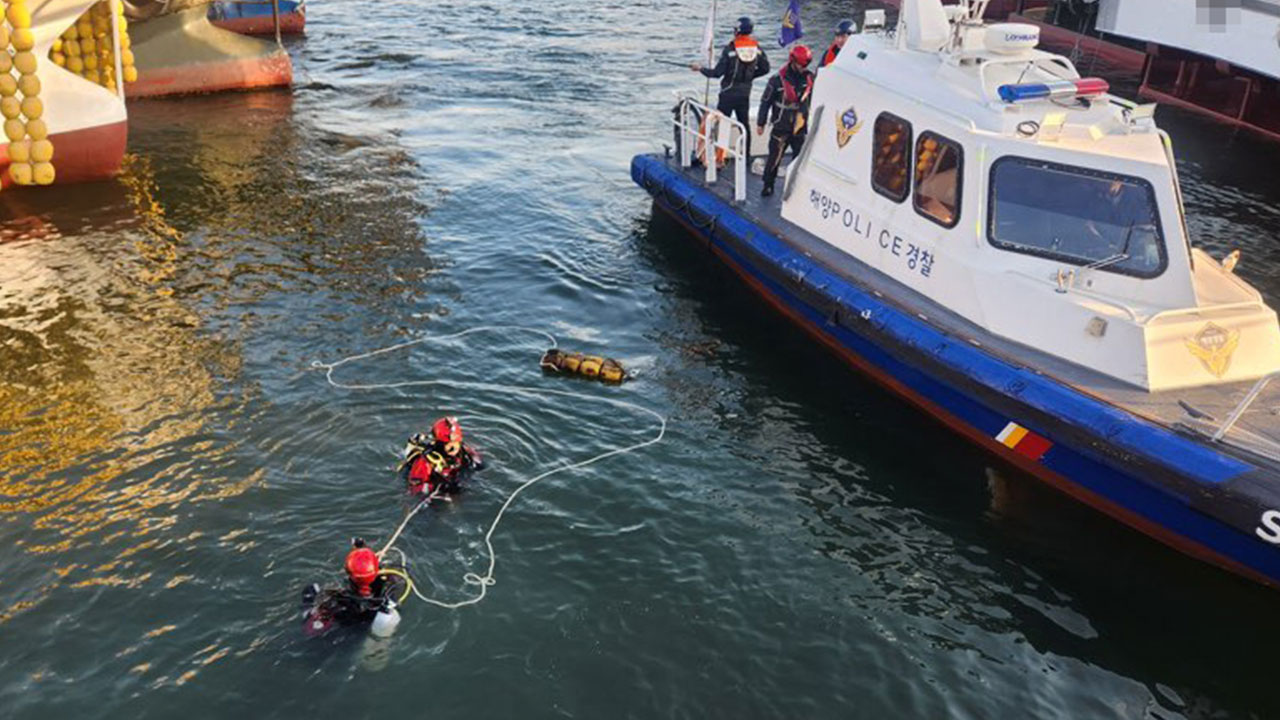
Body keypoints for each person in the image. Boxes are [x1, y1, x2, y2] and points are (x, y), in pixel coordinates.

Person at [690, 16, 770, 159]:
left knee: (722, 125)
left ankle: (719, 159)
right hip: (745, 94)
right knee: (744, 126)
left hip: (727, 94)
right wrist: (750, 77)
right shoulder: (756, 48)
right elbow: (765, 68)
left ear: (737, 31)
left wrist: (700, 69)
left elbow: (716, 73)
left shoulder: (730, 49)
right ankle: (746, 157)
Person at [756, 44, 815, 197]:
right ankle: (768, 184)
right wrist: (760, 123)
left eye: (806, 65)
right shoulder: (776, 81)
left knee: (799, 159)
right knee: (774, 158)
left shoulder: (810, 79)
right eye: (802, 65)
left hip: (800, 126)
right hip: (780, 126)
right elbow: (765, 102)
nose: (804, 68)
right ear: (793, 62)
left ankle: (797, 186)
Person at [400, 416, 485, 499]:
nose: (454, 448)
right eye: (449, 444)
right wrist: (440, 487)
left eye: (456, 443)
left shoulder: (464, 450)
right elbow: (414, 488)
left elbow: (478, 461)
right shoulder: (425, 462)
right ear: (440, 444)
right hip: (436, 496)